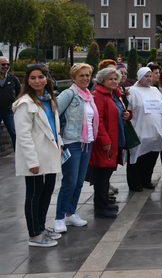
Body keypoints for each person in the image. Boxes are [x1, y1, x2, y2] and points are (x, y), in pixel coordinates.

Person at [14, 64, 63, 247]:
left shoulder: (49, 99)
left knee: (47, 191)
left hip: (50, 154)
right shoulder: (24, 104)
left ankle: (41, 227)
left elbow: (53, 126)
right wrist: (32, 161)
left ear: (47, 78)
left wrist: (61, 144)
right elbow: (23, 136)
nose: (37, 81)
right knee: (34, 195)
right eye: (32, 78)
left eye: (41, 77)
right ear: (27, 81)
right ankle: (34, 235)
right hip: (35, 158)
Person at [53, 64, 98, 233]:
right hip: (71, 142)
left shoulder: (88, 96)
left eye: (88, 75)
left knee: (79, 182)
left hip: (87, 142)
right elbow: (54, 114)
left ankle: (70, 213)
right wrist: (59, 141)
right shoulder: (69, 93)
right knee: (69, 182)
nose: (86, 78)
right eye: (81, 76)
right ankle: (59, 217)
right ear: (74, 78)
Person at [91, 67, 129, 218]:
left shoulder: (115, 94)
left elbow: (119, 112)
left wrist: (127, 114)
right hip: (105, 142)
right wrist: (105, 140)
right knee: (101, 174)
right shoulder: (99, 95)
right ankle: (100, 207)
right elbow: (97, 120)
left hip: (115, 138)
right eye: (110, 79)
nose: (114, 81)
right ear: (102, 80)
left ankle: (105, 202)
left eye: (115, 79)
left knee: (107, 173)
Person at [127, 67, 162, 192]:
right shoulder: (132, 91)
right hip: (139, 129)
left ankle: (146, 180)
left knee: (151, 156)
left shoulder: (155, 90)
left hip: (155, 131)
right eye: (146, 76)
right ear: (140, 77)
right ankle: (135, 183)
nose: (149, 78)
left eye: (150, 76)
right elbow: (128, 110)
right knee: (137, 157)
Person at [0, 56, 20, 148]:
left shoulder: (13, 79)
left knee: (15, 133)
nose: (6, 66)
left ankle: (19, 155)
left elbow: (20, 94)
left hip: (9, 111)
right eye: (3, 64)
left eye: (8, 64)